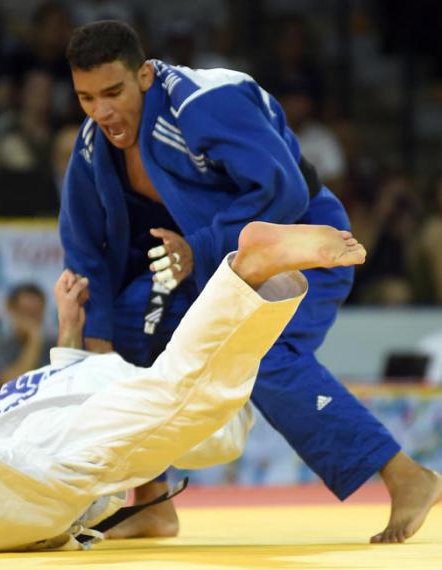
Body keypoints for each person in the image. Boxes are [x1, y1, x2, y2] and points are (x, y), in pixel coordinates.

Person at [58, 20, 441, 543]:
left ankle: (406, 476)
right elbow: (86, 250)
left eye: (112, 92)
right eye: (86, 98)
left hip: (301, 245)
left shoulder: (203, 103)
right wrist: (99, 342)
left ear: (144, 76)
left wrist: (199, 247)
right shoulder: (91, 149)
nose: (101, 111)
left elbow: (284, 191)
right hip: (209, 269)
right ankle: (149, 501)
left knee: (263, 354)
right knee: (127, 325)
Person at [0, 222, 373, 551]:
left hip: (10, 428)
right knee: (190, 407)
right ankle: (247, 275)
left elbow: (80, 380)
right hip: (53, 443)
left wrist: (68, 325)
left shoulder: (78, 373)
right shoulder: (120, 381)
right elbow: (193, 413)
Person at [0, 283, 56, 389]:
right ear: (11, 311)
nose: (31, 319)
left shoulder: (53, 347)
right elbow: (11, 385)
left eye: (36, 313)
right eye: (25, 312)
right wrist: (34, 340)